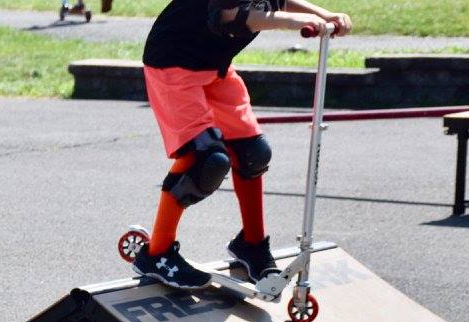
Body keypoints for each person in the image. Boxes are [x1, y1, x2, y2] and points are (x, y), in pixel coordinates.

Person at [130, 0, 352, 289]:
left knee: (253, 152)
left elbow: (280, 1)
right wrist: (291, 23)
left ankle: (252, 244)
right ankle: (156, 254)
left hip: (214, 68)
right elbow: (229, 16)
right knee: (205, 161)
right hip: (174, 65)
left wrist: (324, 15)